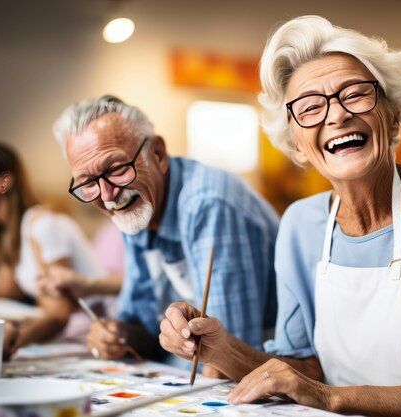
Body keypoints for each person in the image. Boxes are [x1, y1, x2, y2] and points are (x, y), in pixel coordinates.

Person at [158, 15, 401, 416]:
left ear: (392, 114)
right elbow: (304, 372)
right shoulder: (300, 226)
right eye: (310, 107)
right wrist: (220, 347)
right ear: (298, 144)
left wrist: (329, 398)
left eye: (355, 94)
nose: (336, 115)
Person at [52, 95, 279, 373]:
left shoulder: (208, 205)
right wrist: (118, 336)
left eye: (116, 168)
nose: (108, 195)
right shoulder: (135, 208)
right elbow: (142, 327)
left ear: (157, 154)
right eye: (88, 182)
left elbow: (226, 360)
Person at [0, 142, 107, 356]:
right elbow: (0, 287)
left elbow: (59, 313)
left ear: (4, 182)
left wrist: (16, 336)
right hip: (67, 330)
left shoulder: (42, 226)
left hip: (97, 328)